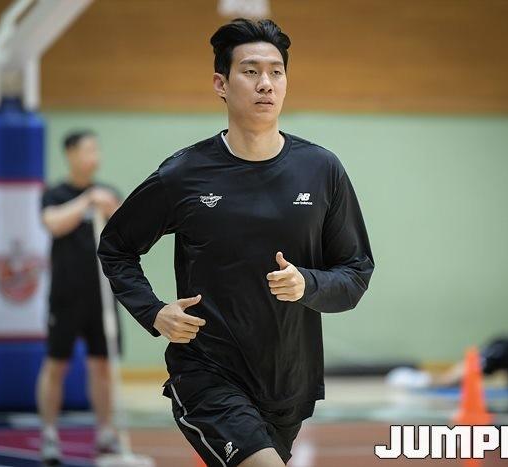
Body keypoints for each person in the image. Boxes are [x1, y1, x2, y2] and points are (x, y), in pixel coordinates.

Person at [98, 18, 374, 467]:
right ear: (221, 84)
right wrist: (153, 311)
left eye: (276, 72)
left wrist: (307, 283)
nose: (266, 83)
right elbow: (116, 247)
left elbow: (355, 274)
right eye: (250, 71)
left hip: (288, 381)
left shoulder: (322, 170)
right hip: (208, 373)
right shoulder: (183, 174)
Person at [36, 130, 122, 465]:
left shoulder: (108, 193)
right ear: (71, 154)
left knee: (102, 365)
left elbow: (127, 232)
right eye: (87, 149)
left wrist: (110, 207)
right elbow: (53, 224)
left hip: (102, 297)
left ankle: (105, 432)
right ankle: (49, 434)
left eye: (96, 149)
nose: (94, 155)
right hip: (65, 297)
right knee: (56, 364)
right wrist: (87, 201)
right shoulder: (54, 194)